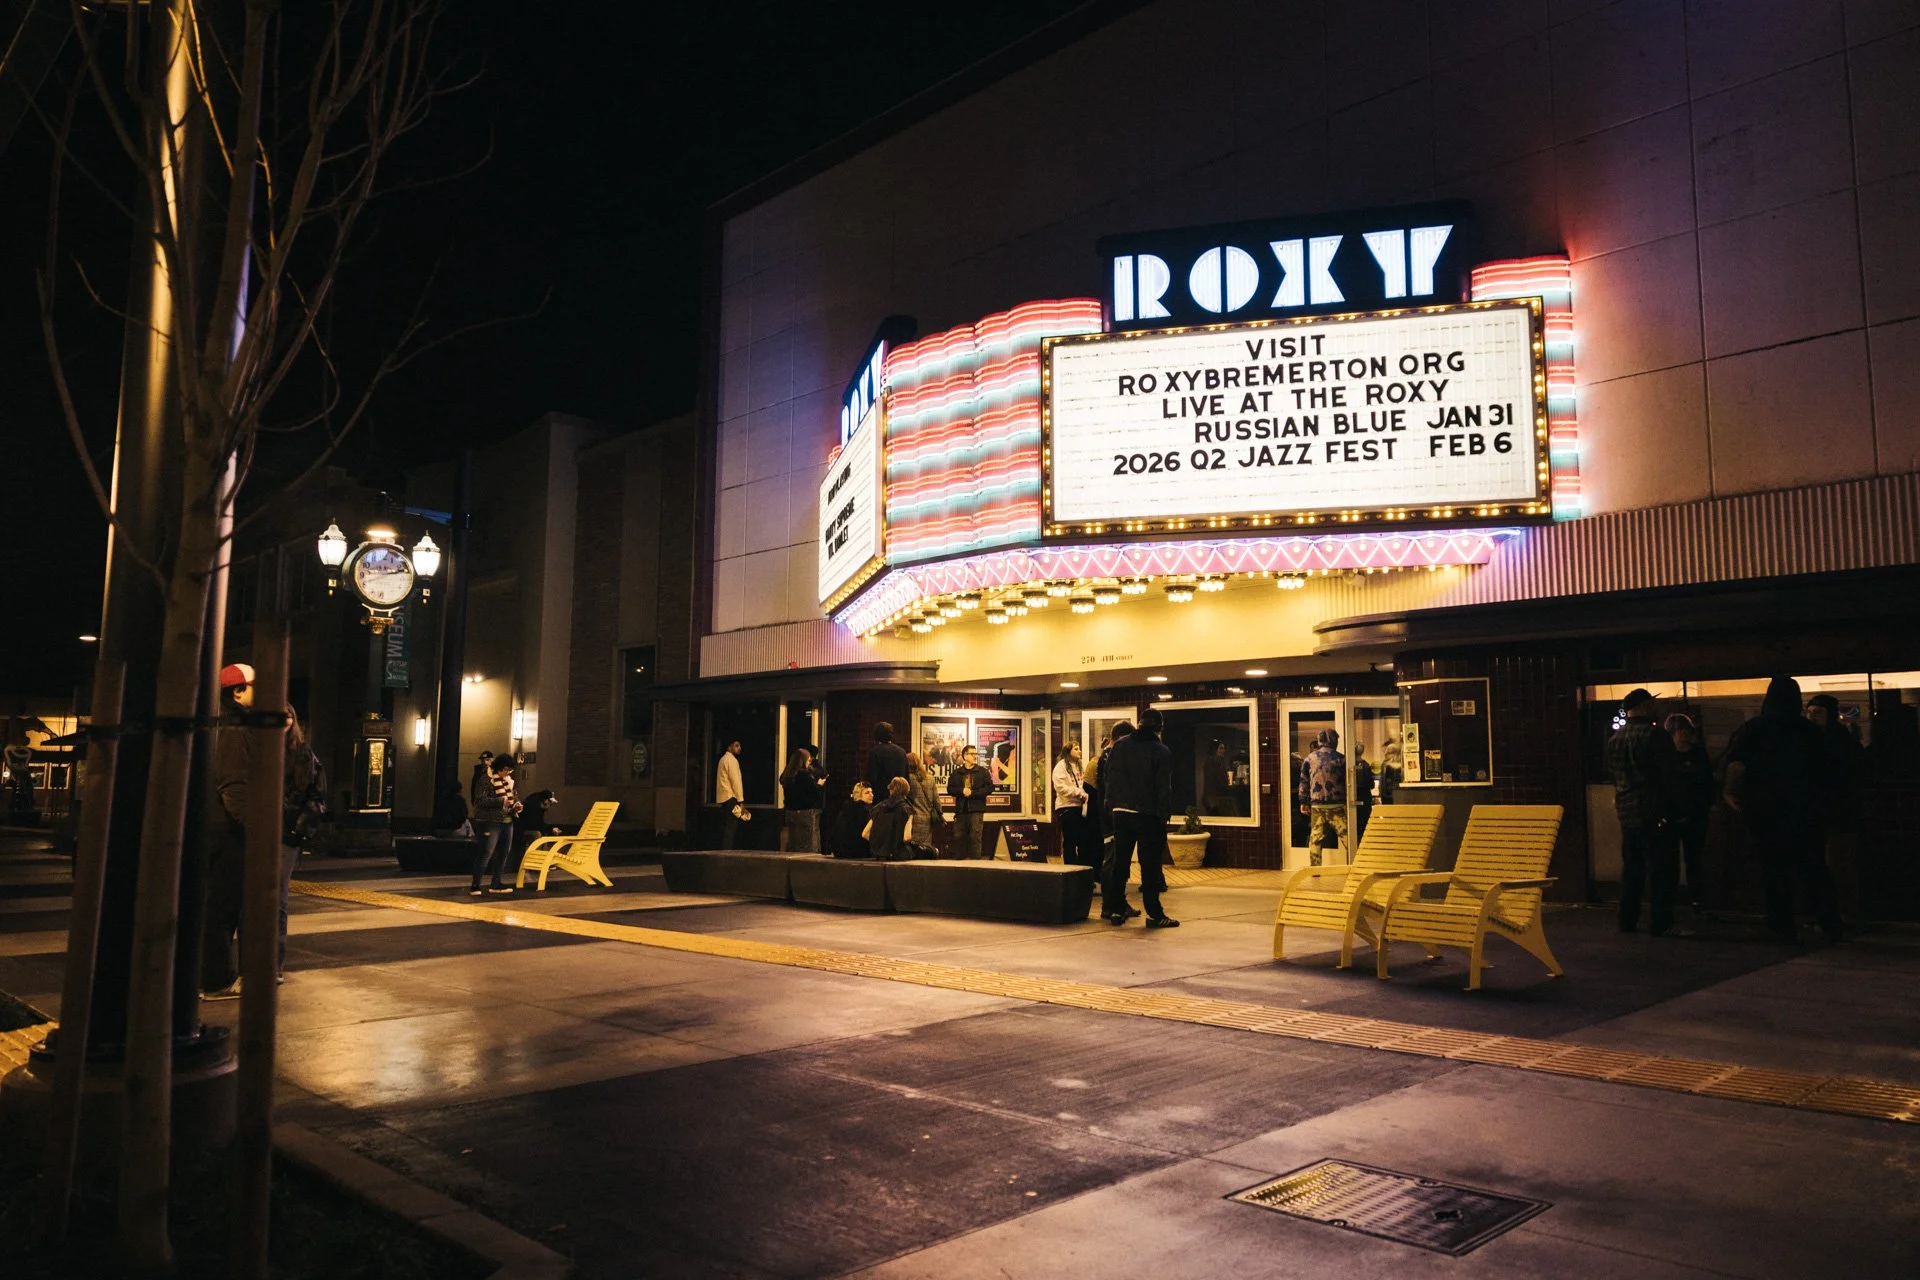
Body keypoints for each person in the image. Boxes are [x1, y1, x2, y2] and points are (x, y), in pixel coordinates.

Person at [1723, 677, 1842, 944]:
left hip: (1765, 809)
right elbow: (1828, 771)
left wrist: (1730, 792)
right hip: (1806, 809)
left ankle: (1781, 924)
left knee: (1773, 869)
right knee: (1814, 866)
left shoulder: (1753, 728)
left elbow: (1736, 765)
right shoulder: (1810, 731)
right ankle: (1830, 921)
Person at [202, 662, 257, 998]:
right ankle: (218, 979)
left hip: (214, 830)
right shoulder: (234, 727)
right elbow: (235, 787)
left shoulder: (216, 724)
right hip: (229, 832)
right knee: (223, 907)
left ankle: (210, 976)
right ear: (237, 691)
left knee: (215, 906)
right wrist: (258, 831)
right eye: (254, 685)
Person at [1607, 690, 1679, 935]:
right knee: (1660, 869)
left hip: (1627, 812)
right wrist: (1674, 809)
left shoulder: (1615, 739)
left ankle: (1627, 920)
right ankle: (1660, 922)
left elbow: (1614, 776)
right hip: (1654, 810)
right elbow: (1668, 775)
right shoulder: (1655, 735)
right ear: (1644, 705)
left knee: (1632, 868)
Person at [1102, 707, 1176, 927]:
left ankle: (1116, 910)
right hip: (1147, 814)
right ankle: (1154, 914)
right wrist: (1164, 815)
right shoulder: (1160, 751)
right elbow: (1164, 787)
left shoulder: (1120, 746)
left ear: (1140, 724)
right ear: (1159, 727)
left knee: (1120, 862)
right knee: (1150, 865)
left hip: (1121, 813)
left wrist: (1111, 805)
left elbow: (1110, 778)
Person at [1806, 693, 1863, 920]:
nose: (1812, 717)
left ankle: (1844, 912)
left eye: (1817, 712)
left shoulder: (1839, 741)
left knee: (1839, 863)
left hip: (1837, 813)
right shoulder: (1811, 739)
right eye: (1809, 712)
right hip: (1819, 812)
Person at [1665, 713, 1715, 914]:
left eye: (1686, 730)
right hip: (1677, 814)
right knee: (1672, 859)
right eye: (1679, 730)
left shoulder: (1696, 754)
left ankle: (1697, 898)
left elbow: (1707, 784)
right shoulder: (1670, 756)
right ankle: (1679, 897)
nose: (1683, 735)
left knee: (1694, 858)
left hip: (1695, 814)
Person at [469, 752, 521, 896]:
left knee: (503, 852)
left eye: (510, 770)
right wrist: (500, 802)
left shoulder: (508, 782)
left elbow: (513, 798)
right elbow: (479, 801)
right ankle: (475, 885)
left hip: (507, 820)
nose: (508, 773)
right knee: (486, 852)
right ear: (500, 768)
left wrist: (516, 805)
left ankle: (496, 883)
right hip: (489, 821)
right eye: (507, 770)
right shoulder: (485, 780)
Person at [1297, 728, 1347, 866]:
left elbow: (1304, 781)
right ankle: (1359, 866)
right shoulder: (1341, 759)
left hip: (1317, 805)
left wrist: (1303, 801)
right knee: (1347, 837)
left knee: (1316, 838)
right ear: (1334, 740)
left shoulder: (1310, 758)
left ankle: (1315, 869)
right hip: (1337, 805)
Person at [946, 743, 991, 858]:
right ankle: (959, 867)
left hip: (976, 810)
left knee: (975, 837)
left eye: (976, 754)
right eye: (972, 754)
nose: (975, 756)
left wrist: (973, 793)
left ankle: (976, 865)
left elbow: (989, 788)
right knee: (959, 836)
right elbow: (950, 789)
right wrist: (961, 791)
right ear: (965, 756)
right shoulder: (957, 773)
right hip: (961, 810)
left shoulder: (982, 772)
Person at [1052, 742, 1091, 866]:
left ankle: (1081, 872)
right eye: (1076, 749)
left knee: (1083, 841)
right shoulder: (1061, 766)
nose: (1079, 751)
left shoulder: (1080, 765)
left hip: (1080, 807)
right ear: (1068, 751)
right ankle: (1070, 873)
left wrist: (1085, 794)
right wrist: (1079, 793)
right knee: (1070, 841)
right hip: (1066, 808)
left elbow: (1083, 783)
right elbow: (1060, 787)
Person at [780, 747, 825, 852]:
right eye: (808, 760)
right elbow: (814, 794)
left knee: (793, 844)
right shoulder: (804, 775)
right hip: (805, 812)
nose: (809, 763)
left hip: (790, 812)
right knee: (807, 845)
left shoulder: (787, 775)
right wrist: (818, 785)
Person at [863, 776, 915, 861]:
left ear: (890, 789)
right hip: (899, 856)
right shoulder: (907, 809)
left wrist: (881, 844)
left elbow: (865, 834)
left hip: (879, 856)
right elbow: (907, 837)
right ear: (906, 791)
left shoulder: (877, 808)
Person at [903, 751, 943, 856]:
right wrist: (939, 814)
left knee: (913, 847)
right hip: (927, 818)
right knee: (925, 848)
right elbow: (936, 801)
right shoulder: (929, 778)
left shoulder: (908, 779)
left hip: (913, 818)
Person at [514, 789, 561, 866]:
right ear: (545, 800)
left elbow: (538, 823)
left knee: (542, 834)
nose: (550, 804)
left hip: (527, 828)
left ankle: (544, 860)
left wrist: (549, 829)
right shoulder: (532, 807)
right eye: (549, 802)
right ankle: (536, 861)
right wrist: (550, 829)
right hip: (520, 829)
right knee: (537, 834)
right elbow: (533, 825)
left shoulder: (539, 806)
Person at [827, 781, 874, 858]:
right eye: (867, 793)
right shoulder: (865, 810)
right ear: (859, 795)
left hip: (839, 852)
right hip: (856, 852)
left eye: (872, 792)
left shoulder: (846, 807)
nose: (871, 795)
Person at [715, 739, 746, 849]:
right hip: (731, 797)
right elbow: (735, 781)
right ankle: (727, 851)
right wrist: (740, 800)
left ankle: (725, 850)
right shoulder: (732, 761)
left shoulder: (722, 760)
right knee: (731, 827)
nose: (739, 748)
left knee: (727, 826)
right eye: (736, 745)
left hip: (723, 798)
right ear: (729, 747)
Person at [866, 722, 909, 797]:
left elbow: (872, 778)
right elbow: (906, 776)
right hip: (899, 796)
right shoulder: (902, 752)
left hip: (880, 797)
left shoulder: (874, 752)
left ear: (876, 735)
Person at [1352, 743, 1375, 842]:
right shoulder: (1366, 766)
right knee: (1365, 824)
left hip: (1354, 798)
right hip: (1365, 799)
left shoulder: (1349, 766)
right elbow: (1371, 784)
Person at [1202, 741, 1233, 816]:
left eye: (1224, 748)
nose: (1223, 751)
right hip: (1213, 799)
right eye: (1221, 748)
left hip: (1214, 798)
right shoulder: (1211, 764)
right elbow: (1218, 781)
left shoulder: (1218, 763)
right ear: (1215, 749)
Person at [1379, 736, 1402, 805]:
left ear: (1395, 754)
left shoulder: (1398, 766)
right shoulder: (1384, 764)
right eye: (1386, 752)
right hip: (1384, 795)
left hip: (1393, 796)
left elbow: (1396, 781)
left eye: (1389, 752)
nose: (1385, 754)